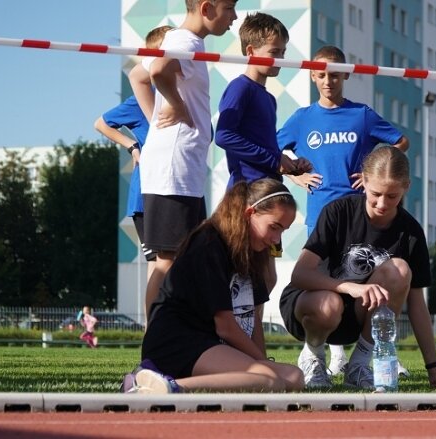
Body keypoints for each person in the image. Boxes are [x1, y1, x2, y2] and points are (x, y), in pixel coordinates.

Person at [277, 45, 409, 377]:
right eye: (321, 75)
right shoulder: (303, 118)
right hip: (321, 218)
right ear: (311, 75)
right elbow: (271, 150)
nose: (327, 81)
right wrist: (296, 174)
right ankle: (323, 355)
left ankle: (365, 357)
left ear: (346, 74)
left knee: (363, 281)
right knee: (326, 286)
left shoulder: (361, 115)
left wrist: (371, 176)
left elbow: (400, 142)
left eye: (334, 75)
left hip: (358, 217)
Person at [280, 147, 436, 390]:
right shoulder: (338, 212)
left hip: (357, 318)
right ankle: (313, 358)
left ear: (406, 186)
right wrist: (349, 287)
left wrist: (434, 369)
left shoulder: (411, 231)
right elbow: (300, 275)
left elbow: (416, 303)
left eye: (392, 196)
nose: (382, 203)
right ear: (364, 180)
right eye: (376, 193)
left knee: (400, 270)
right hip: (310, 307)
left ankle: (359, 365)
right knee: (330, 303)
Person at [129, 178, 304, 393]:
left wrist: (263, 359)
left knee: (295, 377)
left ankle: (163, 384)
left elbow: (253, 317)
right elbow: (226, 326)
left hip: (210, 343)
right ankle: (164, 387)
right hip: (177, 340)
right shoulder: (209, 242)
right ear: (250, 213)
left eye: (283, 231)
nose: (276, 239)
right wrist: (264, 364)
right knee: (269, 381)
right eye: (274, 227)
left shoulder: (254, 252)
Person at [135, 0, 238, 327]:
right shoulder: (181, 41)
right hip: (173, 170)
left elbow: (138, 76)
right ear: (207, 8)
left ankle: (173, 333)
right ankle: (155, 341)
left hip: (183, 169)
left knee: (180, 258)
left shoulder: (187, 43)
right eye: (230, 8)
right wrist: (176, 106)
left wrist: (159, 115)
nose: (234, 17)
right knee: (167, 261)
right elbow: (154, 71)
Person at [215, 12, 310, 293]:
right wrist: (273, 159)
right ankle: (235, 334)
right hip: (248, 194)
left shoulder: (268, 97)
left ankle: (251, 335)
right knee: (244, 274)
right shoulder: (239, 88)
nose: (279, 58)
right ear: (251, 51)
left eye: (283, 52)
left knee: (267, 277)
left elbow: (266, 148)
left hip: (270, 191)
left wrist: (289, 164)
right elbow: (223, 135)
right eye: (274, 52)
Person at [94, 25, 172, 322]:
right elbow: (101, 123)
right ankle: (152, 334)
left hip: (176, 190)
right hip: (146, 197)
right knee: (159, 265)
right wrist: (132, 147)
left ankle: (169, 331)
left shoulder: (180, 94)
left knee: (174, 265)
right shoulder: (142, 97)